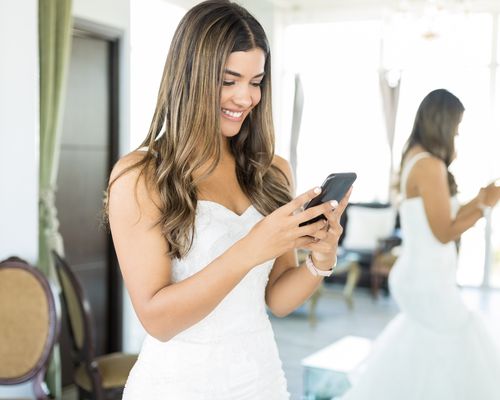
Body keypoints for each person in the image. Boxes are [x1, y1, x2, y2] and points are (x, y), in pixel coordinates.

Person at [106, 1, 351, 399]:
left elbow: (277, 298)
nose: (245, 97)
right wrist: (253, 247)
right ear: (190, 77)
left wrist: (321, 259)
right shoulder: (140, 176)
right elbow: (158, 320)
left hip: (261, 379)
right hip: (177, 386)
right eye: (229, 79)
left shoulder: (272, 171)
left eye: (256, 81)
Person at [341, 89, 500, 400]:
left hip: (420, 275)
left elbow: (441, 217)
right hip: (428, 280)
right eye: (456, 126)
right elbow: (444, 231)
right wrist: (485, 207)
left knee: (427, 351)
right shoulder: (429, 166)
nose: (457, 133)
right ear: (442, 123)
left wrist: (480, 198)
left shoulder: (417, 157)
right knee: (460, 340)